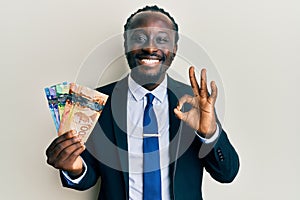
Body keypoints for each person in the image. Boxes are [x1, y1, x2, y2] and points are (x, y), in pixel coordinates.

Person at [46, 5, 239, 200]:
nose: (150, 47)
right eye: (139, 38)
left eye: (162, 39)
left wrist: (209, 134)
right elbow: (88, 177)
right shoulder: (95, 103)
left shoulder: (195, 102)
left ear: (174, 48)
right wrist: (74, 167)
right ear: (126, 44)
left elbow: (227, 173)